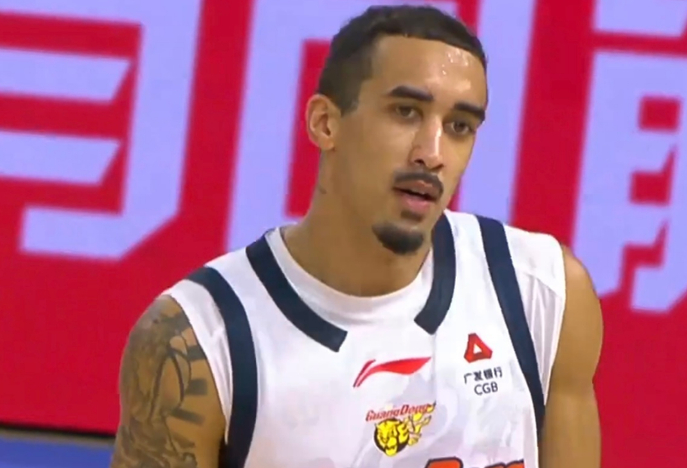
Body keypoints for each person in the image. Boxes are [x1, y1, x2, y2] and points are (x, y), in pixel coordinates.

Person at [110, 5, 602, 468]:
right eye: (406, 112)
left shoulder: (541, 293)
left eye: (459, 126)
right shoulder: (198, 341)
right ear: (325, 123)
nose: (432, 153)